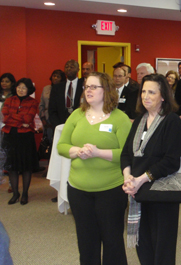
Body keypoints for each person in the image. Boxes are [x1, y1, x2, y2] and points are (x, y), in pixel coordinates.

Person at [57, 72, 131, 265]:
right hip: (78, 190)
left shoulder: (120, 119)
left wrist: (98, 153)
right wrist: (77, 150)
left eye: (93, 87)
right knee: (86, 241)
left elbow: (127, 154)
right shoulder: (77, 114)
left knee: (112, 240)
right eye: (86, 87)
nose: (88, 90)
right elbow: (61, 146)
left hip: (111, 190)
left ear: (106, 90)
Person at [121, 74, 181, 265]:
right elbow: (125, 154)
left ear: (163, 96)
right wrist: (127, 177)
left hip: (161, 193)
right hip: (138, 192)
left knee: (162, 247)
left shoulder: (171, 121)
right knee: (143, 243)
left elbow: (171, 161)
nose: (145, 96)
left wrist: (141, 179)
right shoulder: (140, 120)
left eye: (151, 92)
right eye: (143, 92)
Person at [2, 78, 39, 205]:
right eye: (19, 87)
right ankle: (15, 193)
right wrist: (20, 120)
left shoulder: (33, 102)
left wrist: (16, 118)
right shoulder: (9, 100)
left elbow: (28, 119)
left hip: (25, 137)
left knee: (26, 167)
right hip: (10, 136)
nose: (21, 90)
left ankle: (24, 194)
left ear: (29, 89)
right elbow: (5, 117)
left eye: (24, 87)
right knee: (12, 167)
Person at [48, 59, 85, 127]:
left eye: (71, 67)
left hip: (79, 124)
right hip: (60, 124)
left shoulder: (84, 86)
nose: (68, 69)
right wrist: (58, 125)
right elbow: (52, 109)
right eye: (67, 67)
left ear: (78, 69)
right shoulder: (57, 87)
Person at [39, 69, 66, 145]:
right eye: (54, 76)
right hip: (46, 119)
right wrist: (43, 118)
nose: (56, 78)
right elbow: (41, 105)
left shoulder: (64, 89)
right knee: (49, 141)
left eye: (58, 77)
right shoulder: (46, 88)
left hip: (58, 119)